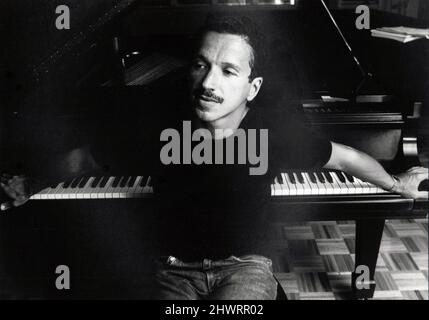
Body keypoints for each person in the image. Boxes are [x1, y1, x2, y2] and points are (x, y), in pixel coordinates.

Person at [1, 14, 428, 300]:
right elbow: (83, 161)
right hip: (173, 270)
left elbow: (347, 158)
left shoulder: (274, 135)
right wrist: (30, 183)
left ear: (252, 87)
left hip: (243, 268)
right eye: (201, 65)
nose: (209, 82)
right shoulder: (156, 131)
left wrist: (397, 183)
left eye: (228, 70)